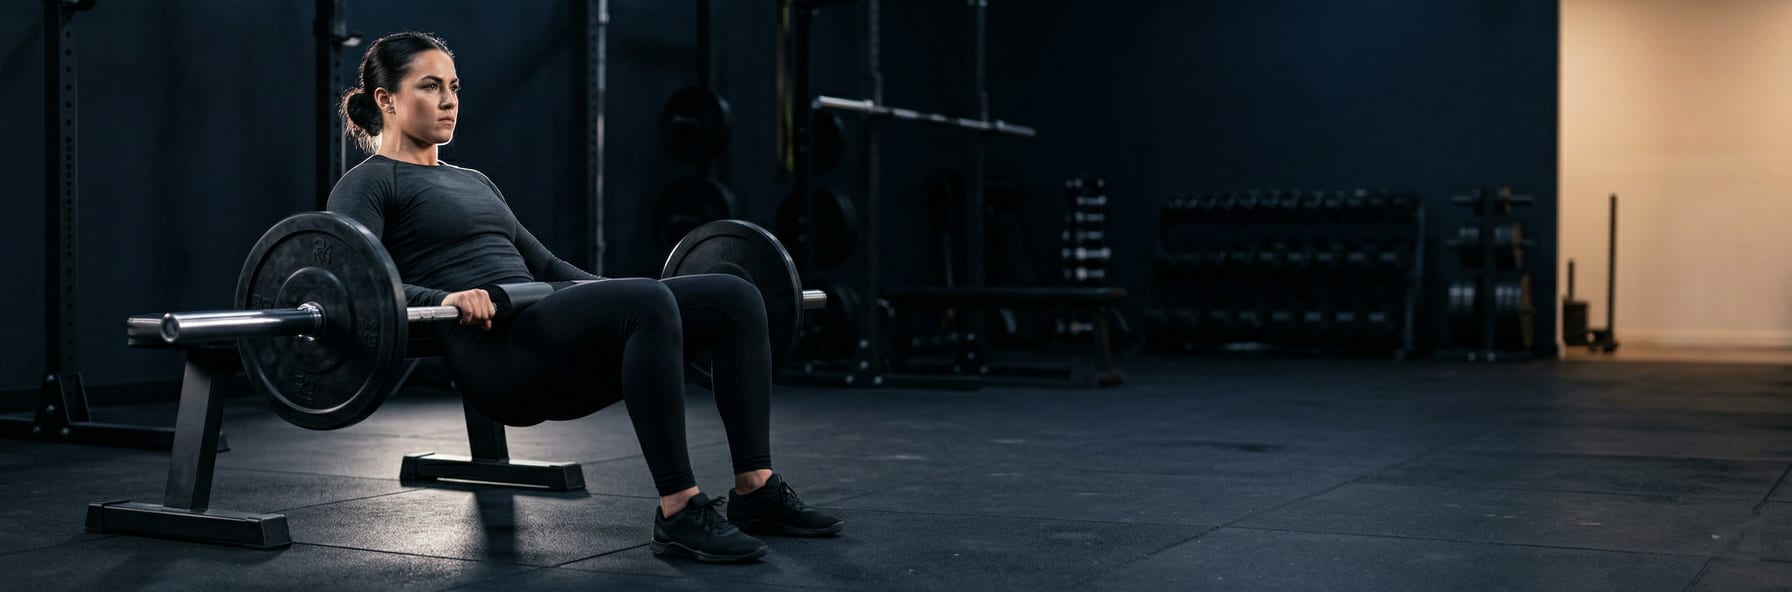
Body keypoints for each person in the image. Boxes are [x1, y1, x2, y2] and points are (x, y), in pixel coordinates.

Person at [327, 31, 841, 564]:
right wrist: (448, 298)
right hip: (498, 360)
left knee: (735, 295)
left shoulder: (474, 181)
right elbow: (355, 283)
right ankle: (679, 512)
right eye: (430, 86)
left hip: (539, 326)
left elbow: (548, 267)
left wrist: (615, 291)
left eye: (454, 87)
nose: (449, 100)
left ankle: (755, 490)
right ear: (386, 99)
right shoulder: (368, 184)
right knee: (646, 302)